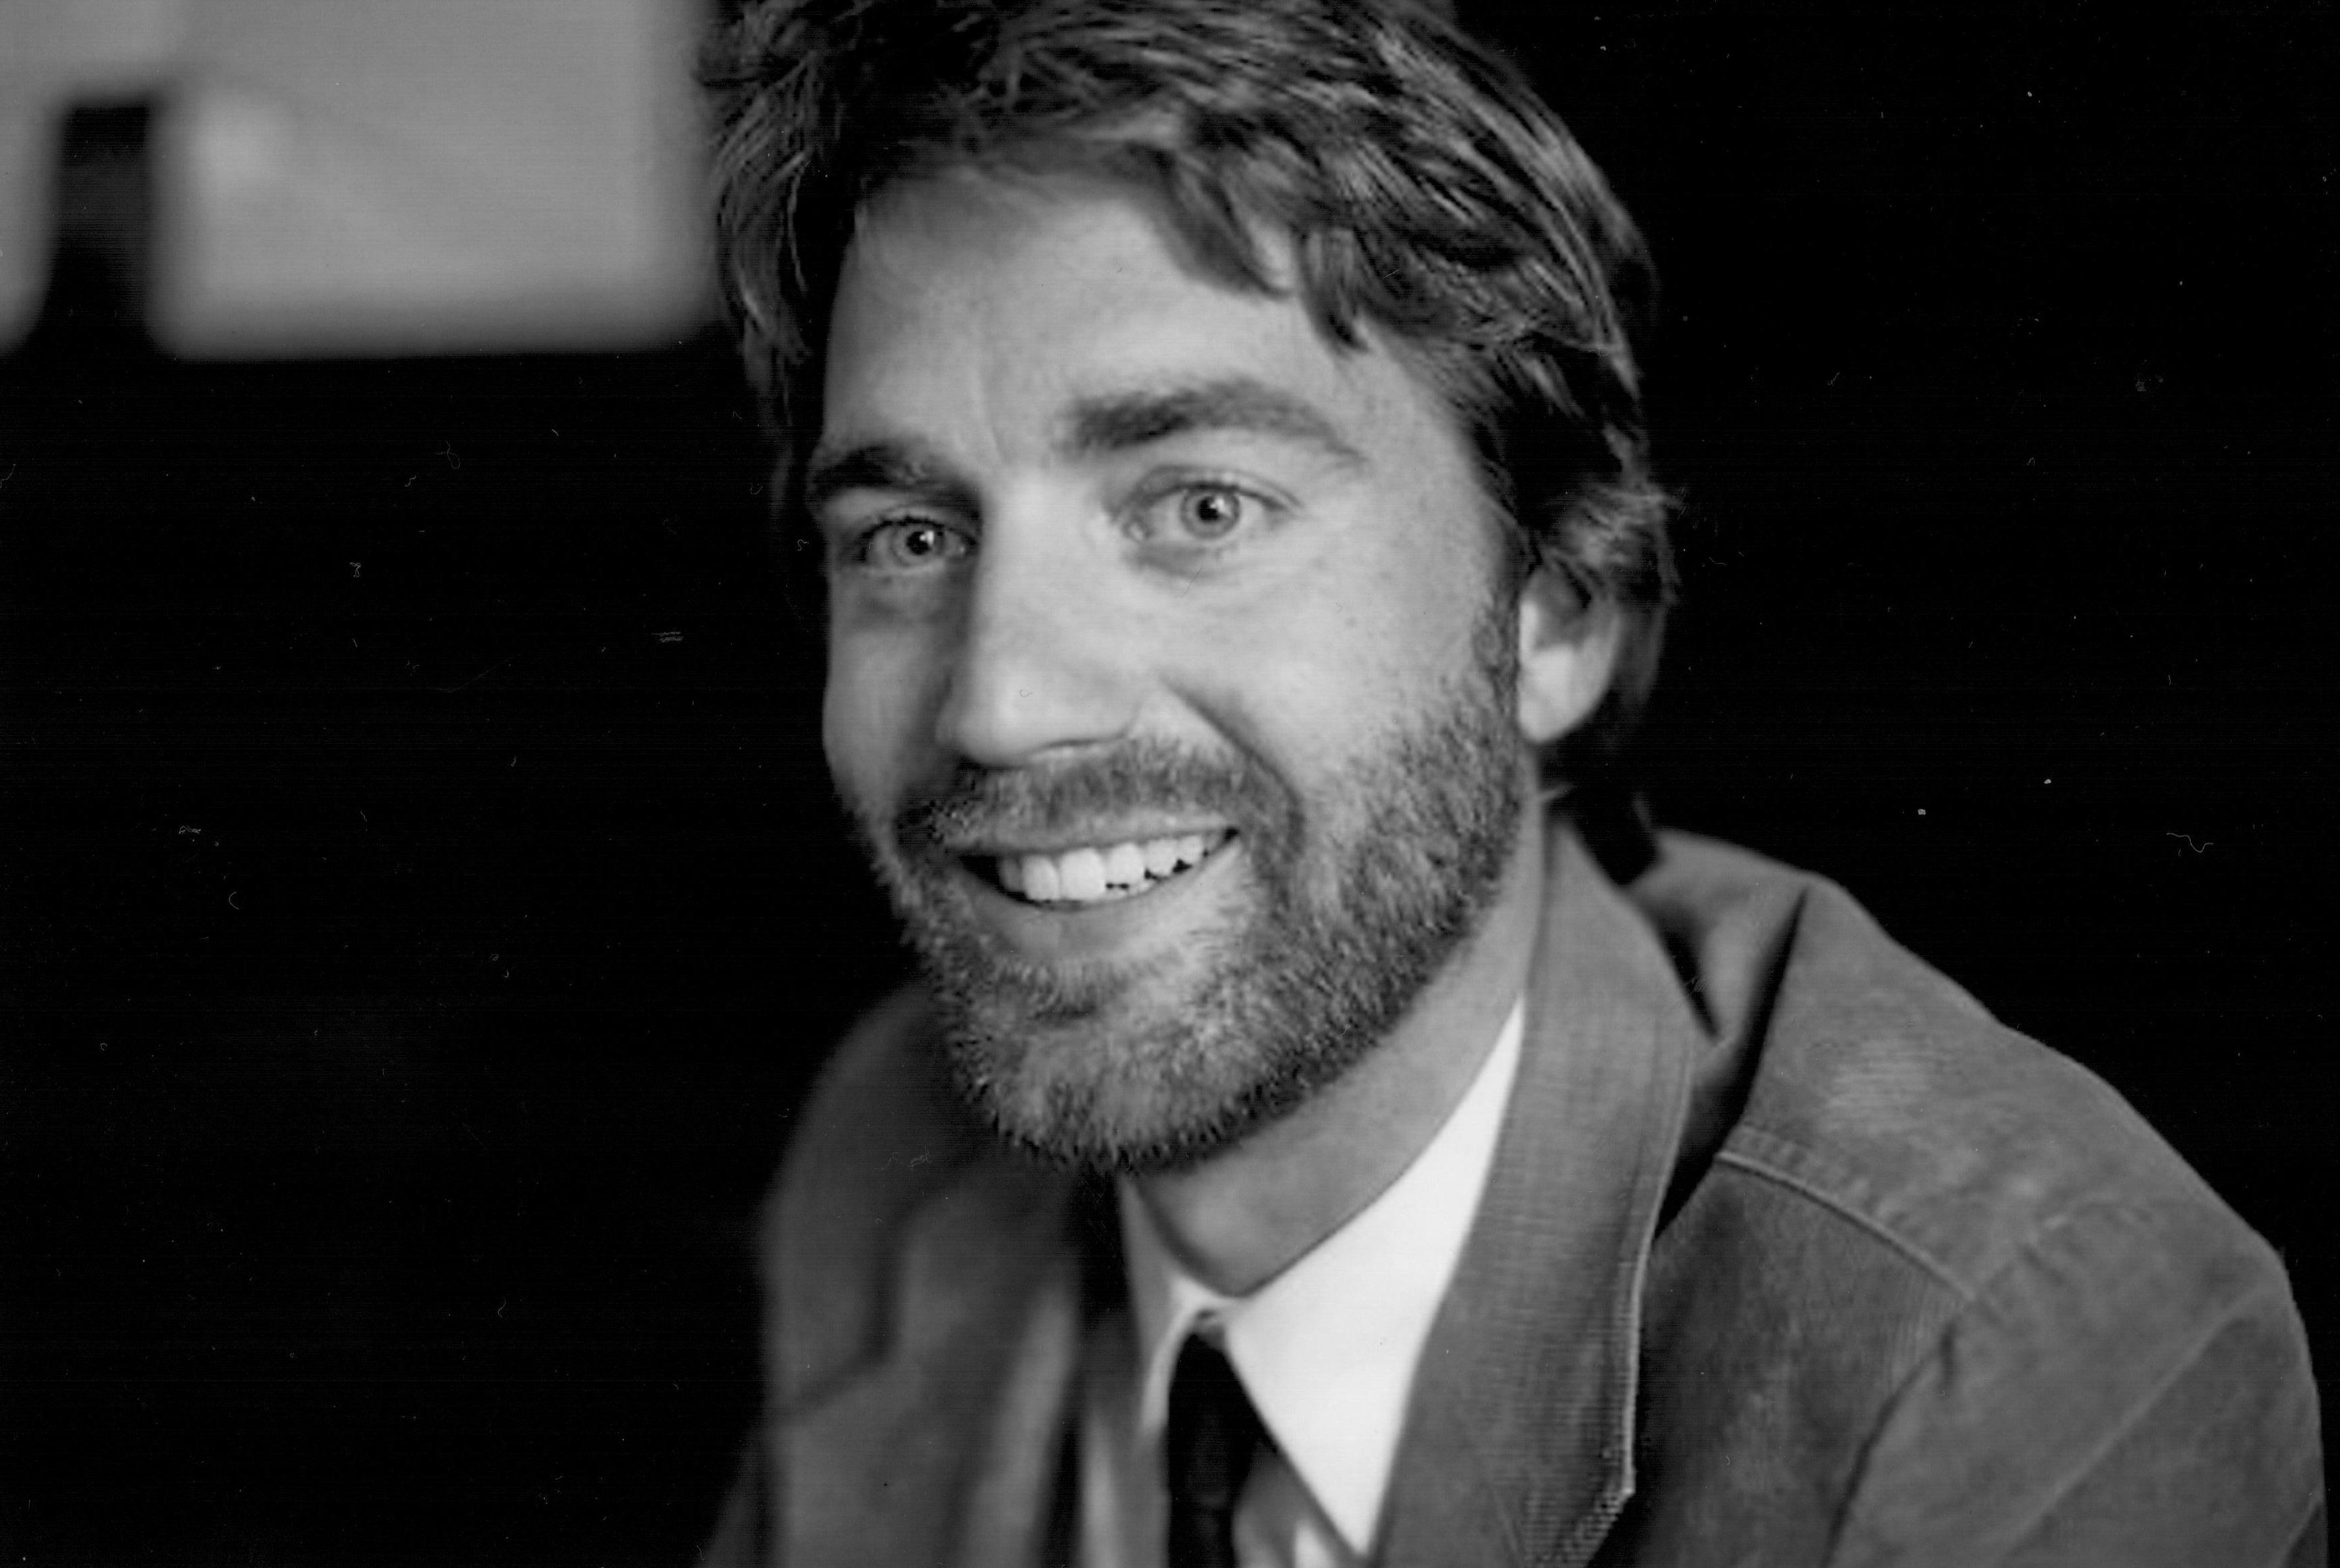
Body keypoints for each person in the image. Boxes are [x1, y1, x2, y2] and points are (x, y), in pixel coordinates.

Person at [696, 0, 2323, 1562]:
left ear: (1553, 614)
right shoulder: (888, 1150)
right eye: (906, 539)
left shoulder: (1998, 1360)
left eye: (1198, 508)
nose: (997, 704)